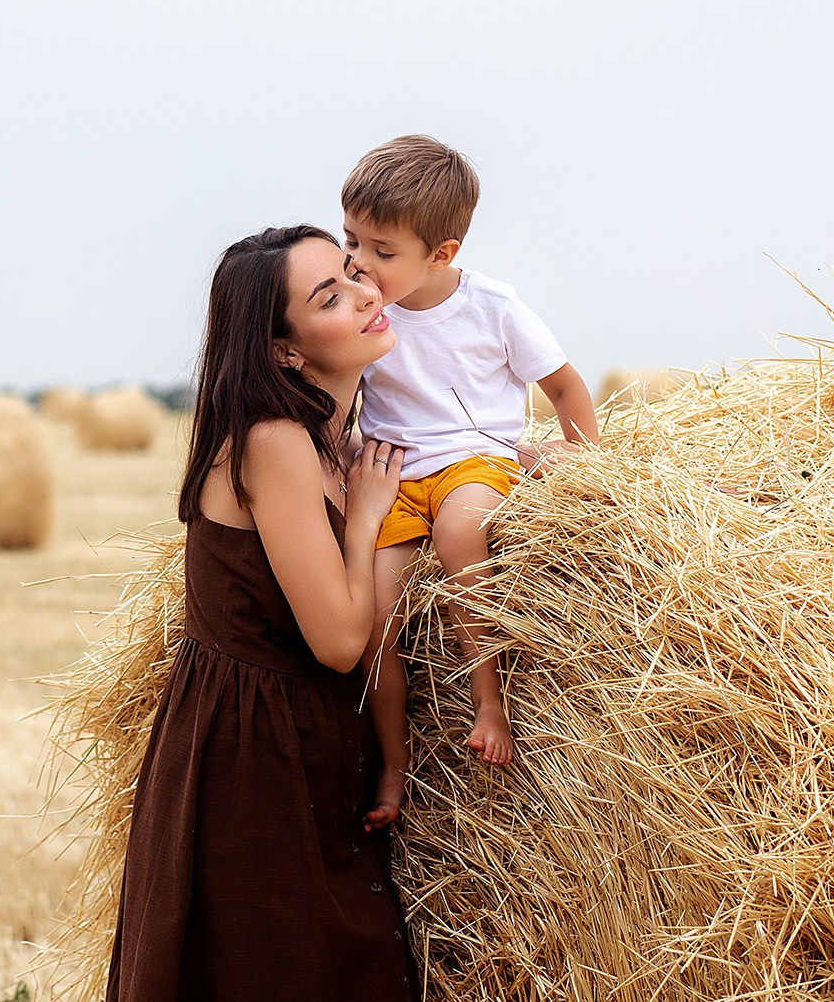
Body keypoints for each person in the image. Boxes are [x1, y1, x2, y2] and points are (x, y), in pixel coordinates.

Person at [108, 225, 418, 1002]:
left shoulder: (329, 438)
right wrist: (366, 517)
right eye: (331, 296)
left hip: (299, 744)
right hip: (250, 765)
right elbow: (343, 640)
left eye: (355, 274)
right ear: (284, 349)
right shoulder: (275, 442)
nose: (366, 295)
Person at [340, 135, 599, 831]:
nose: (359, 261)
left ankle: (489, 700)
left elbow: (566, 385)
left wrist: (585, 463)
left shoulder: (493, 307)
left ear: (442, 254)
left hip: (474, 460)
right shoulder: (362, 316)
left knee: (461, 531)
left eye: (381, 250)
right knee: (374, 613)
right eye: (351, 240)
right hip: (392, 476)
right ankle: (393, 763)